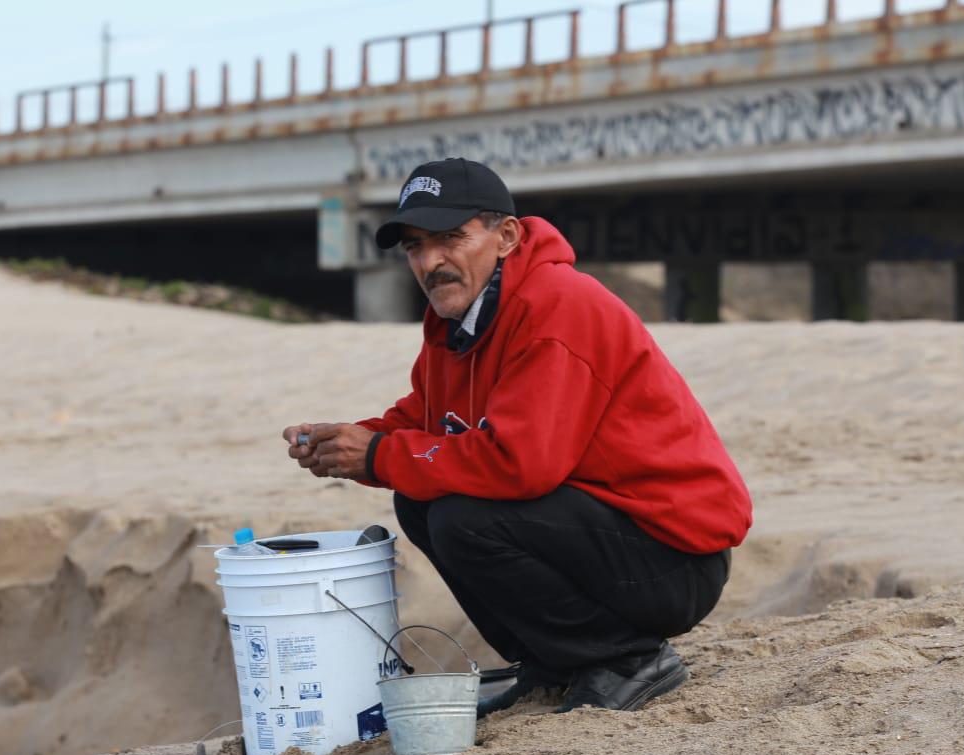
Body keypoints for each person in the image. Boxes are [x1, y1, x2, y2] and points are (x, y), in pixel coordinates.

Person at [282, 158, 751, 715]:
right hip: (606, 533)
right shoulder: (465, 317)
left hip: (674, 557)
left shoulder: (557, 306)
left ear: (506, 236)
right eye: (414, 245)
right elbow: (429, 418)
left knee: (466, 520)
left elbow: (522, 464)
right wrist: (353, 439)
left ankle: (628, 661)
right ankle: (555, 662)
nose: (431, 261)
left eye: (451, 238)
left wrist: (380, 454)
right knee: (419, 497)